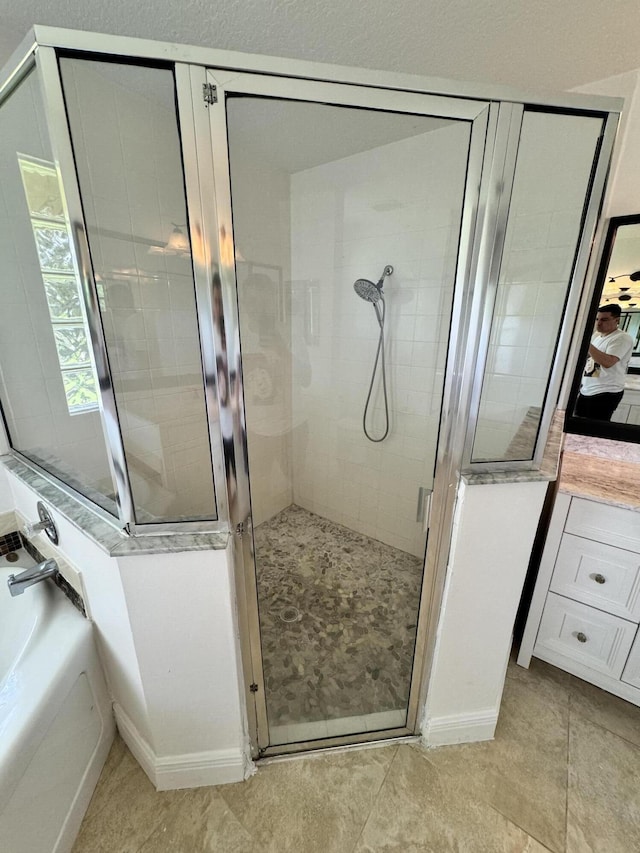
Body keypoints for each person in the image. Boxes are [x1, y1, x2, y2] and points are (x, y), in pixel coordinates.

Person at [576, 304, 634, 421]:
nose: (598, 323)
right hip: (587, 390)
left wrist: (586, 341)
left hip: (605, 392)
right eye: (597, 319)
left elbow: (608, 362)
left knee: (592, 430)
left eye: (604, 319)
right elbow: (591, 358)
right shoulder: (597, 337)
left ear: (617, 320)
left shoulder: (621, 338)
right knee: (579, 426)